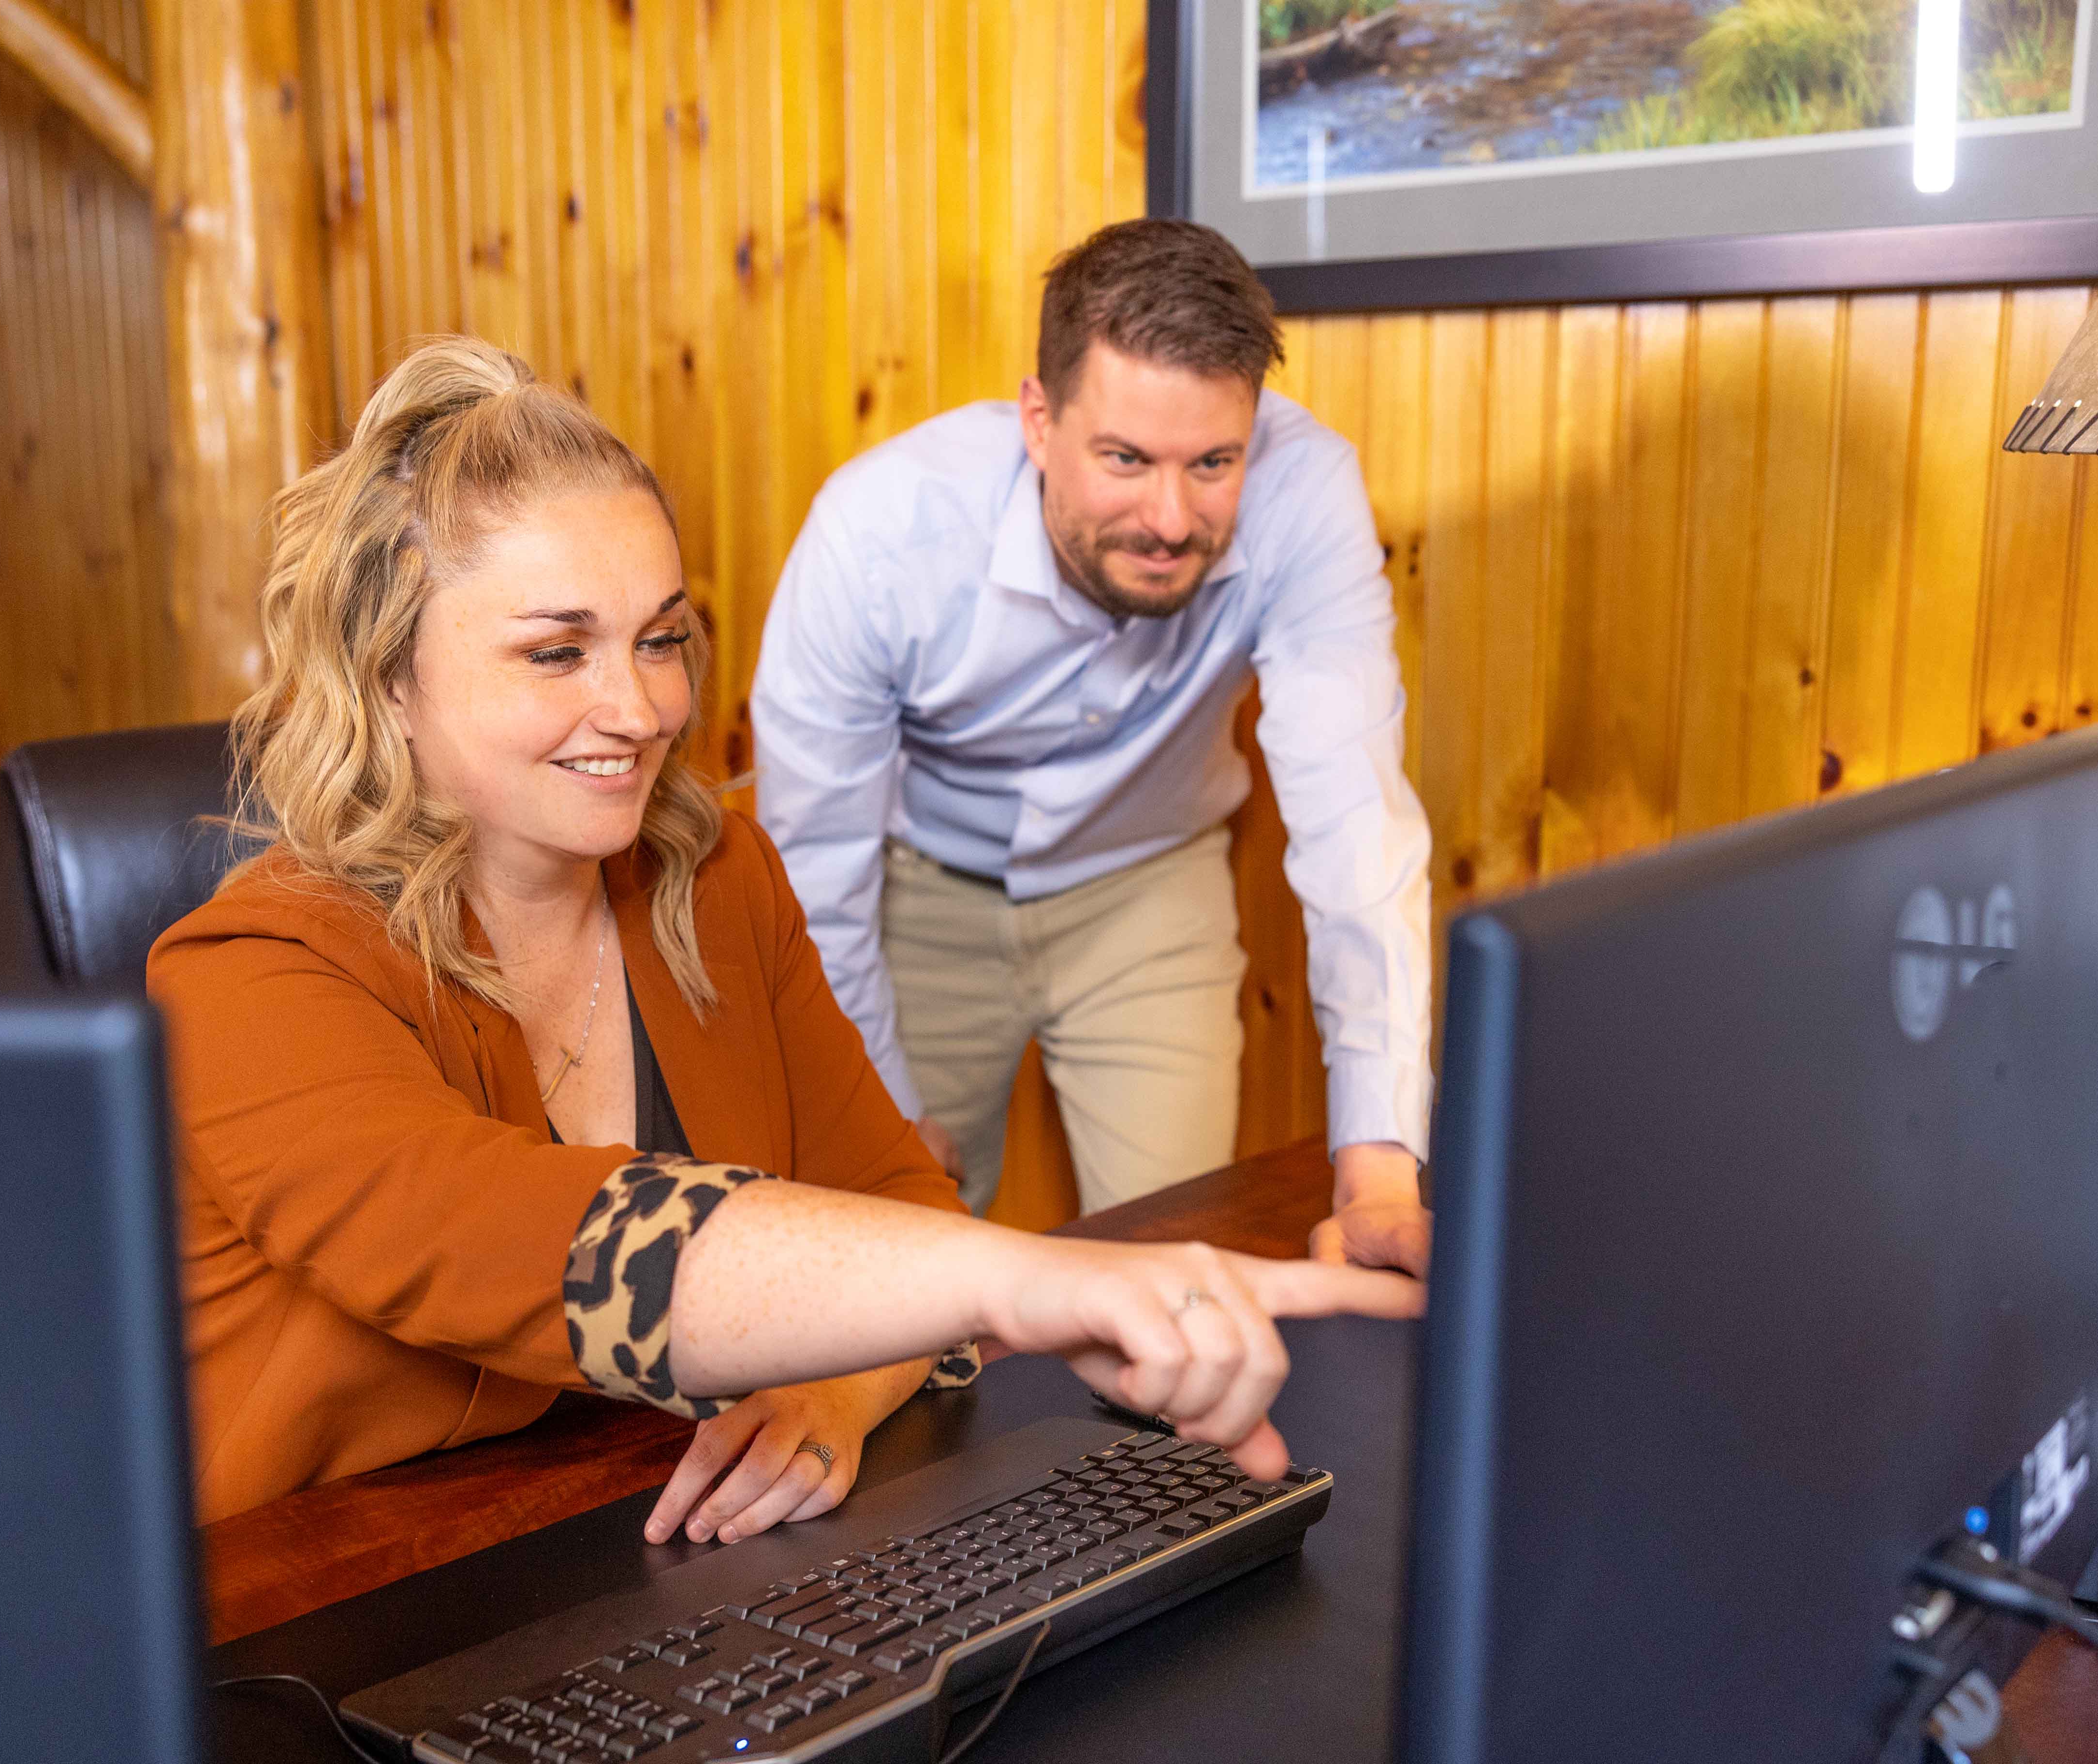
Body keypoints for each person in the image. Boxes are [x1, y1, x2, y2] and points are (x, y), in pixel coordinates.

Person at [149, 338, 1416, 1534]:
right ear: (388, 681)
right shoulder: (250, 977)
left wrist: (845, 1388)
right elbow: (506, 1240)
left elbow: (898, 1197)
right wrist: (1022, 1283)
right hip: (314, 1624)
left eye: (659, 640)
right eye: (555, 653)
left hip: (638, 1548)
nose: (639, 708)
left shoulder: (709, 875)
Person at [751, 219, 1434, 1268]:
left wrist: (1381, 1160)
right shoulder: (879, 533)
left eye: (1213, 461)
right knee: (892, 1270)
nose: (1171, 518)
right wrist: (879, 1113)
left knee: (1172, 1277)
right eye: (1125, 458)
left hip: (1149, 891)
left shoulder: (1305, 494)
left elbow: (1357, 823)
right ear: (1037, 419)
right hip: (913, 895)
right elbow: (813, 863)